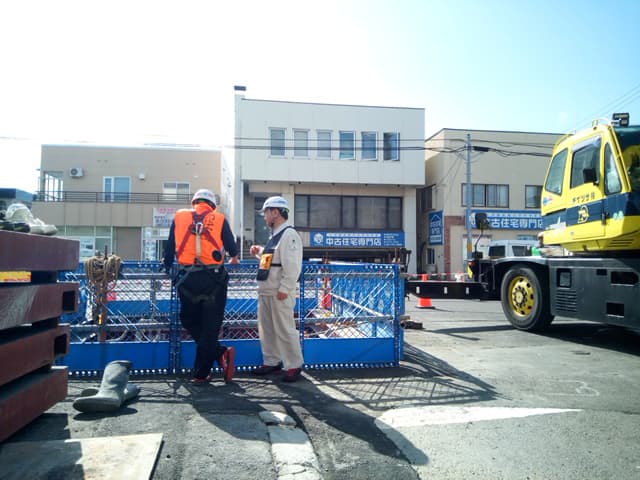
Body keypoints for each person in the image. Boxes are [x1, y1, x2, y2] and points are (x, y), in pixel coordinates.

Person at [163, 189, 239, 384]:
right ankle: (213, 360)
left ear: (194, 202)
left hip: (187, 279)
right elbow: (232, 249)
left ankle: (205, 368)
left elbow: (169, 248)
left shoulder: (180, 217)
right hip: (214, 280)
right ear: (212, 205)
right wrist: (233, 257)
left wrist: (167, 265)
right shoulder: (219, 218)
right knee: (210, 327)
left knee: (188, 319)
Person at [249, 196, 305, 382]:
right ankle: (272, 361)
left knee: (284, 329)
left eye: (266, 213)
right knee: (267, 330)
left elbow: (293, 266)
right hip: (267, 290)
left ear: (275, 212)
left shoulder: (289, 235)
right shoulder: (276, 235)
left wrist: (285, 288)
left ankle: (294, 365)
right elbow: (273, 261)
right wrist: (260, 252)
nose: (265, 217)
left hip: (278, 291)